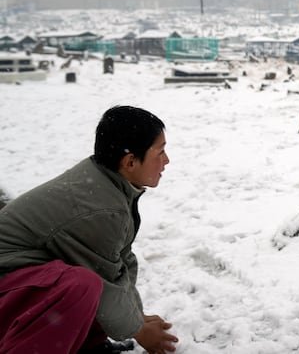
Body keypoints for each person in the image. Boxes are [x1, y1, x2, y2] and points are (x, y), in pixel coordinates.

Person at [0, 105, 179, 353]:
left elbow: (119, 265)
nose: (166, 160)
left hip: (21, 283)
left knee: (94, 281)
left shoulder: (107, 185)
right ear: (130, 161)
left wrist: (135, 317)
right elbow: (106, 282)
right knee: (83, 284)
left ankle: (84, 345)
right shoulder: (100, 209)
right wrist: (139, 330)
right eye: (160, 152)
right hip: (7, 287)